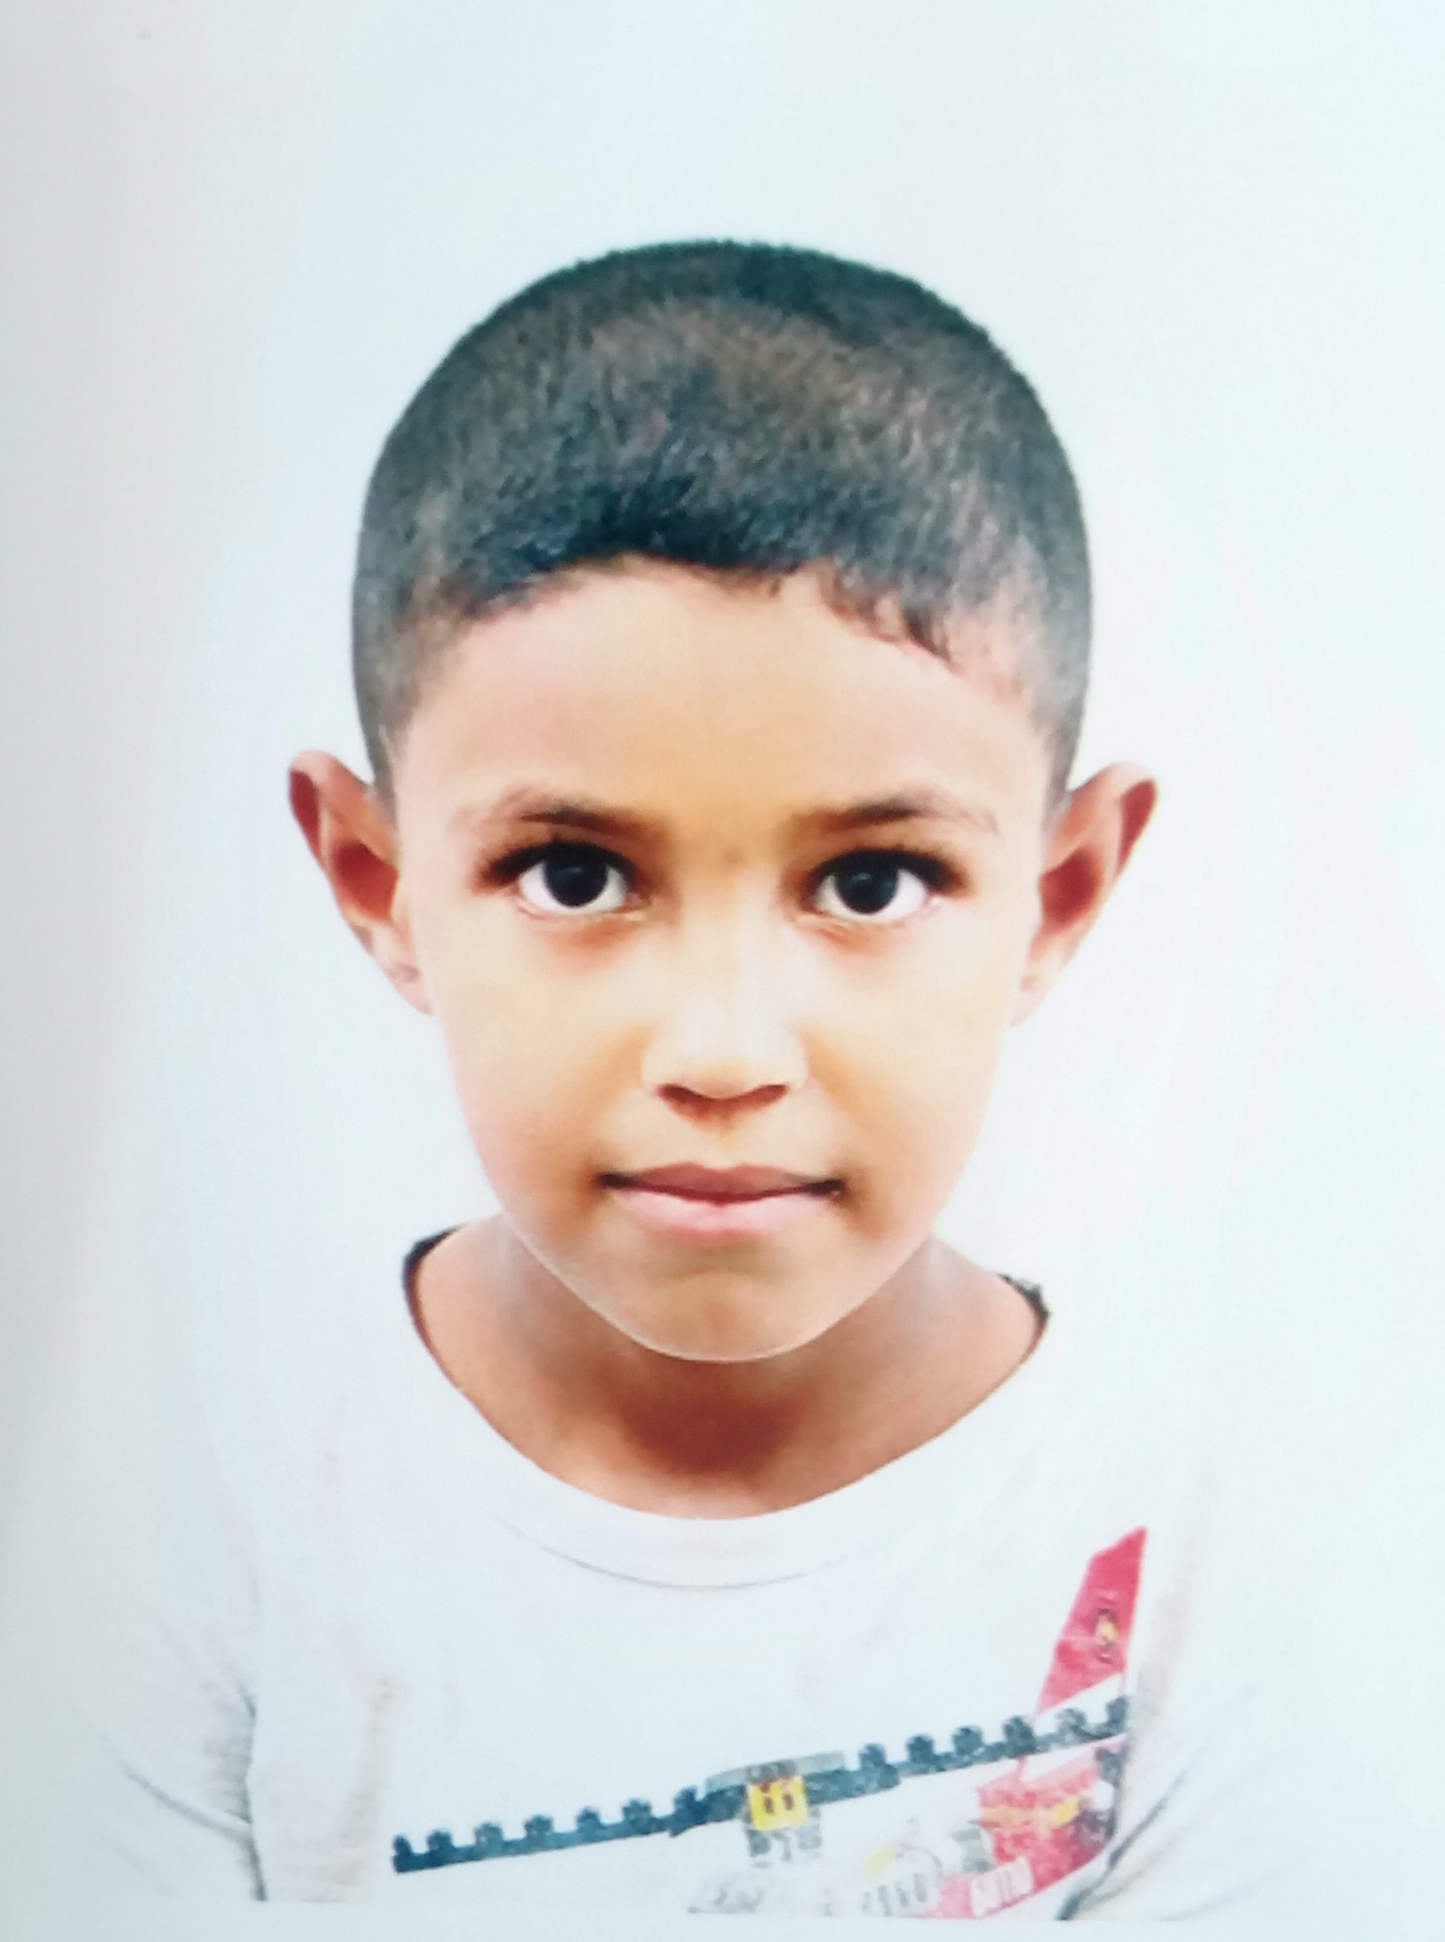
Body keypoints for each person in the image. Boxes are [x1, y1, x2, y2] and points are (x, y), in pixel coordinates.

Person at [63, 241, 1314, 1920]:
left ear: (1060, 892)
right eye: (575, 874)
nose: (723, 1052)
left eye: (869, 881)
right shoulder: (189, 1542)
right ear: (379, 883)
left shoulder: (1218, 1580)